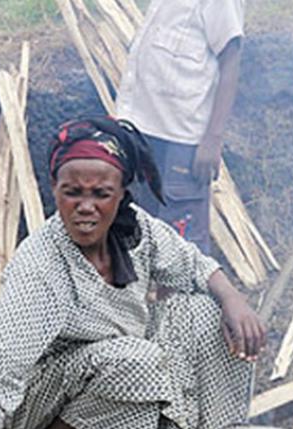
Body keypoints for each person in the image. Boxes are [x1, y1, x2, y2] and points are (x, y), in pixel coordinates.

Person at [0, 117, 265, 429]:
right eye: (72, 192)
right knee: (137, 358)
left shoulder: (136, 231)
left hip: (118, 378)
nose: (86, 207)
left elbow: (194, 266)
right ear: (54, 189)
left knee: (205, 315)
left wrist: (234, 300)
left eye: (101, 194)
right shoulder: (42, 263)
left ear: (120, 194)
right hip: (41, 399)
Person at [115, 0, 244, 254]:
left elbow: (231, 60)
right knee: (142, 229)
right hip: (144, 132)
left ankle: (183, 293)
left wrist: (212, 139)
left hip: (183, 142)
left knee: (182, 244)